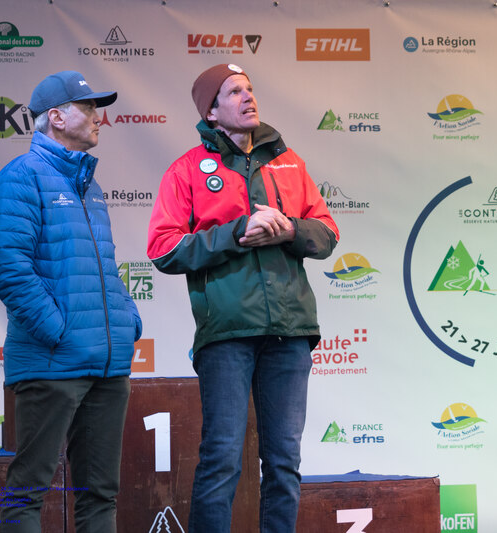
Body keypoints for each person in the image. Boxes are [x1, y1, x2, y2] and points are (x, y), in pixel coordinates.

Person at [147, 63, 339, 532]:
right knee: (221, 459)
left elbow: (328, 233)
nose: (248, 96)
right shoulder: (186, 170)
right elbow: (163, 249)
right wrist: (236, 232)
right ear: (211, 113)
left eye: (250, 88)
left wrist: (289, 229)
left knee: (284, 462)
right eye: (233, 91)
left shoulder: (289, 162)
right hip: (227, 334)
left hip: (290, 332)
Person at [0, 70, 142, 533]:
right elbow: (7, 268)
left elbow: (102, 268)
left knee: (100, 495)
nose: (98, 117)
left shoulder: (90, 186)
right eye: (88, 108)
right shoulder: (21, 176)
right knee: (28, 493)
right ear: (56, 117)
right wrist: (60, 331)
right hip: (52, 363)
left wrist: (127, 320)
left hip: (107, 366)